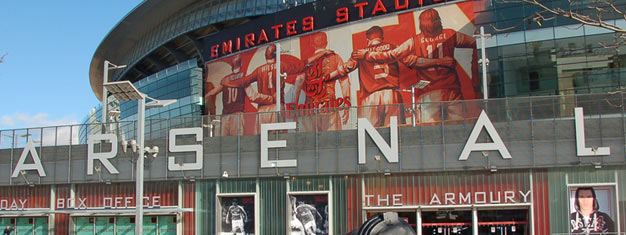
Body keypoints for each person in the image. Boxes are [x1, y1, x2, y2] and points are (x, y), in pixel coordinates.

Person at [353, 8, 480, 123]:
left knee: (428, 133)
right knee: (458, 130)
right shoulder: (451, 34)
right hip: (452, 89)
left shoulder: (414, 41)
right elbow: (477, 43)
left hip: (428, 91)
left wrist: (368, 55)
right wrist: (476, 77)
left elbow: (392, 55)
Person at [244, 44, 333, 129]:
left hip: (262, 110)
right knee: (280, 137)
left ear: (265, 56)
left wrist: (231, 81)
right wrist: (322, 53)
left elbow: (244, 82)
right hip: (277, 107)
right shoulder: (281, 66)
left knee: (261, 140)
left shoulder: (258, 70)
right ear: (277, 55)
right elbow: (302, 65)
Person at [329, 26, 401, 127]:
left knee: (368, 135)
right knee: (395, 132)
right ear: (382, 38)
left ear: (367, 40)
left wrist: (327, 77)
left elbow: (345, 69)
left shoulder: (360, 52)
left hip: (370, 96)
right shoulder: (393, 47)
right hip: (391, 94)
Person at [292, 32, 351, 131]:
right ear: (326, 43)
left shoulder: (308, 62)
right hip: (329, 107)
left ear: (313, 45)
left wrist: (293, 110)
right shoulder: (335, 57)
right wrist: (346, 104)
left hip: (310, 109)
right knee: (333, 143)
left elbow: (298, 82)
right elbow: (344, 81)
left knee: (310, 144)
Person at [205, 54, 275, 136]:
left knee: (223, 145)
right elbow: (253, 96)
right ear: (241, 64)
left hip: (224, 118)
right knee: (237, 144)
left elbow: (212, 93)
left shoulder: (224, 80)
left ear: (232, 66)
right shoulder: (243, 78)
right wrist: (270, 98)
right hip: (237, 116)